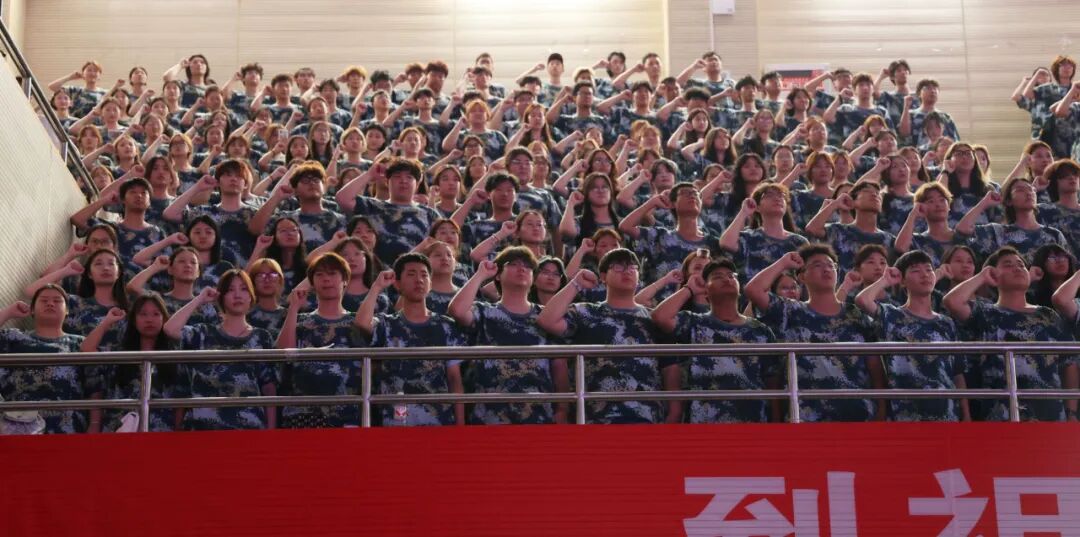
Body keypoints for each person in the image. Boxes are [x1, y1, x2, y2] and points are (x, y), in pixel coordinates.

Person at [537, 248, 681, 424]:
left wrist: (675, 410)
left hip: (646, 417)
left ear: (639, 277)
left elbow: (669, 368)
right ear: (603, 276)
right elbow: (547, 320)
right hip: (596, 417)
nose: (627, 271)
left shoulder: (654, 318)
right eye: (618, 267)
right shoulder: (586, 312)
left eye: (632, 267)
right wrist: (576, 284)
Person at [744, 244, 887, 422]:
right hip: (807, 417)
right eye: (817, 265)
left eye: (830, 265)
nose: (826, 269)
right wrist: (783, 262)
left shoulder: (856, 315)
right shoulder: (790, 311)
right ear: (802, 276)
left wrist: (881, 407)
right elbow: (753, 290)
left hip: (858, 415)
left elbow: (874, 365)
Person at [944, 246, 1078, 422]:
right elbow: (952, 301)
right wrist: (982, 276)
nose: (1017, 268)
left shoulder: (1048, 315)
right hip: (1001, 414)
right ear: (994, 275)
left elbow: (1069, 364)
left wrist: (1071, 412)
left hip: (1049, 415)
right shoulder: (985, 313)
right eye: (1008, 265)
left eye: (1021, 265)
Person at [448, 247, 568, 425]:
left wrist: (562, 409)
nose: (522, 269)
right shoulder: (484, 312)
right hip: (488, 416)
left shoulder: (545, 317)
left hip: (538, 416)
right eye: (514, 264)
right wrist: (481, 275)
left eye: (527, 266)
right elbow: (457, 311)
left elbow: (559, 367)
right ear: (498, 275)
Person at [652, 257, 779, 423]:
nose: (726, 279)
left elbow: (772, 384)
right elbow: (660, 316)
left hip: (752, 423)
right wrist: (689, 289)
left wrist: (776, 423)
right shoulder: (694, 322)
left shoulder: (761, 331)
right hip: (704, 423)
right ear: (705, 291)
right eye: (718, 277)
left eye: (731, 276)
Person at [854, 251, 970, 422]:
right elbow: (862, 300)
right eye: (916, 270)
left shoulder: (946, 323)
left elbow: (958, 374)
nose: (925, 275)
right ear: (902, 281)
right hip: (905, 414)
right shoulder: (892, 315)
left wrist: (966, 414)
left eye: (929, 270)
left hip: (947, 413)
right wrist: (885, 280)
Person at [355, 253, 466, 426]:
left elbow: (454, 378)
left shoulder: (446, 326)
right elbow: (362, 323)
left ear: (430, 283)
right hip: (395, 421)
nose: (419, 280)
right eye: (411, 274)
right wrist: (377, 287)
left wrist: (460, 424)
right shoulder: (387, 324)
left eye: (424, 275)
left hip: (438, 421)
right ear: (397, 283)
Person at [164, 270, 278, 430]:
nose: (237, 295)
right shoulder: (203, 333)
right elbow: (170, 329)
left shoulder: (262, 337)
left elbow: (269, 388)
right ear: (221, 297)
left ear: (251, 296)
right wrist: (199, 299)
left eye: (243, 289)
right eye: (230, 290)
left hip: (248, 430)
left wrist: (271, 431)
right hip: (202, 429)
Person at [277, 253, 362, 428]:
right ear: (312, 282)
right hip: (303, 414)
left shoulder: (357, 322)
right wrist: (293, 307)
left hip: (348, 414)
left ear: (345, 280)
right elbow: (283, 353)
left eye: (332, 273)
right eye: (319, 274)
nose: (326, 279)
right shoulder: (299, 321)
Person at [0, 287, 97, 434]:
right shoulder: (14, 338)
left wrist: (95, 424)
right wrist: (8, 312)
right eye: (44, 300)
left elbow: (95, 386)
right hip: (19, 425)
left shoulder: (80, 343)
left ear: (67, 311)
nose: (50, 304)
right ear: (32, 309)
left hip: (67, 427)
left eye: (57, 301)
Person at [335, 158, 441, 266]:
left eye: (409, 177)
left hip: (414, 271)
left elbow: (440, 246)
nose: (403, 181)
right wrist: (369, 174)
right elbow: (342, 198)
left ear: (417, 184)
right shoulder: (372, 206)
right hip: (375, 271)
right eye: (397, 176)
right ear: (387, 182)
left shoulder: (430, 215)